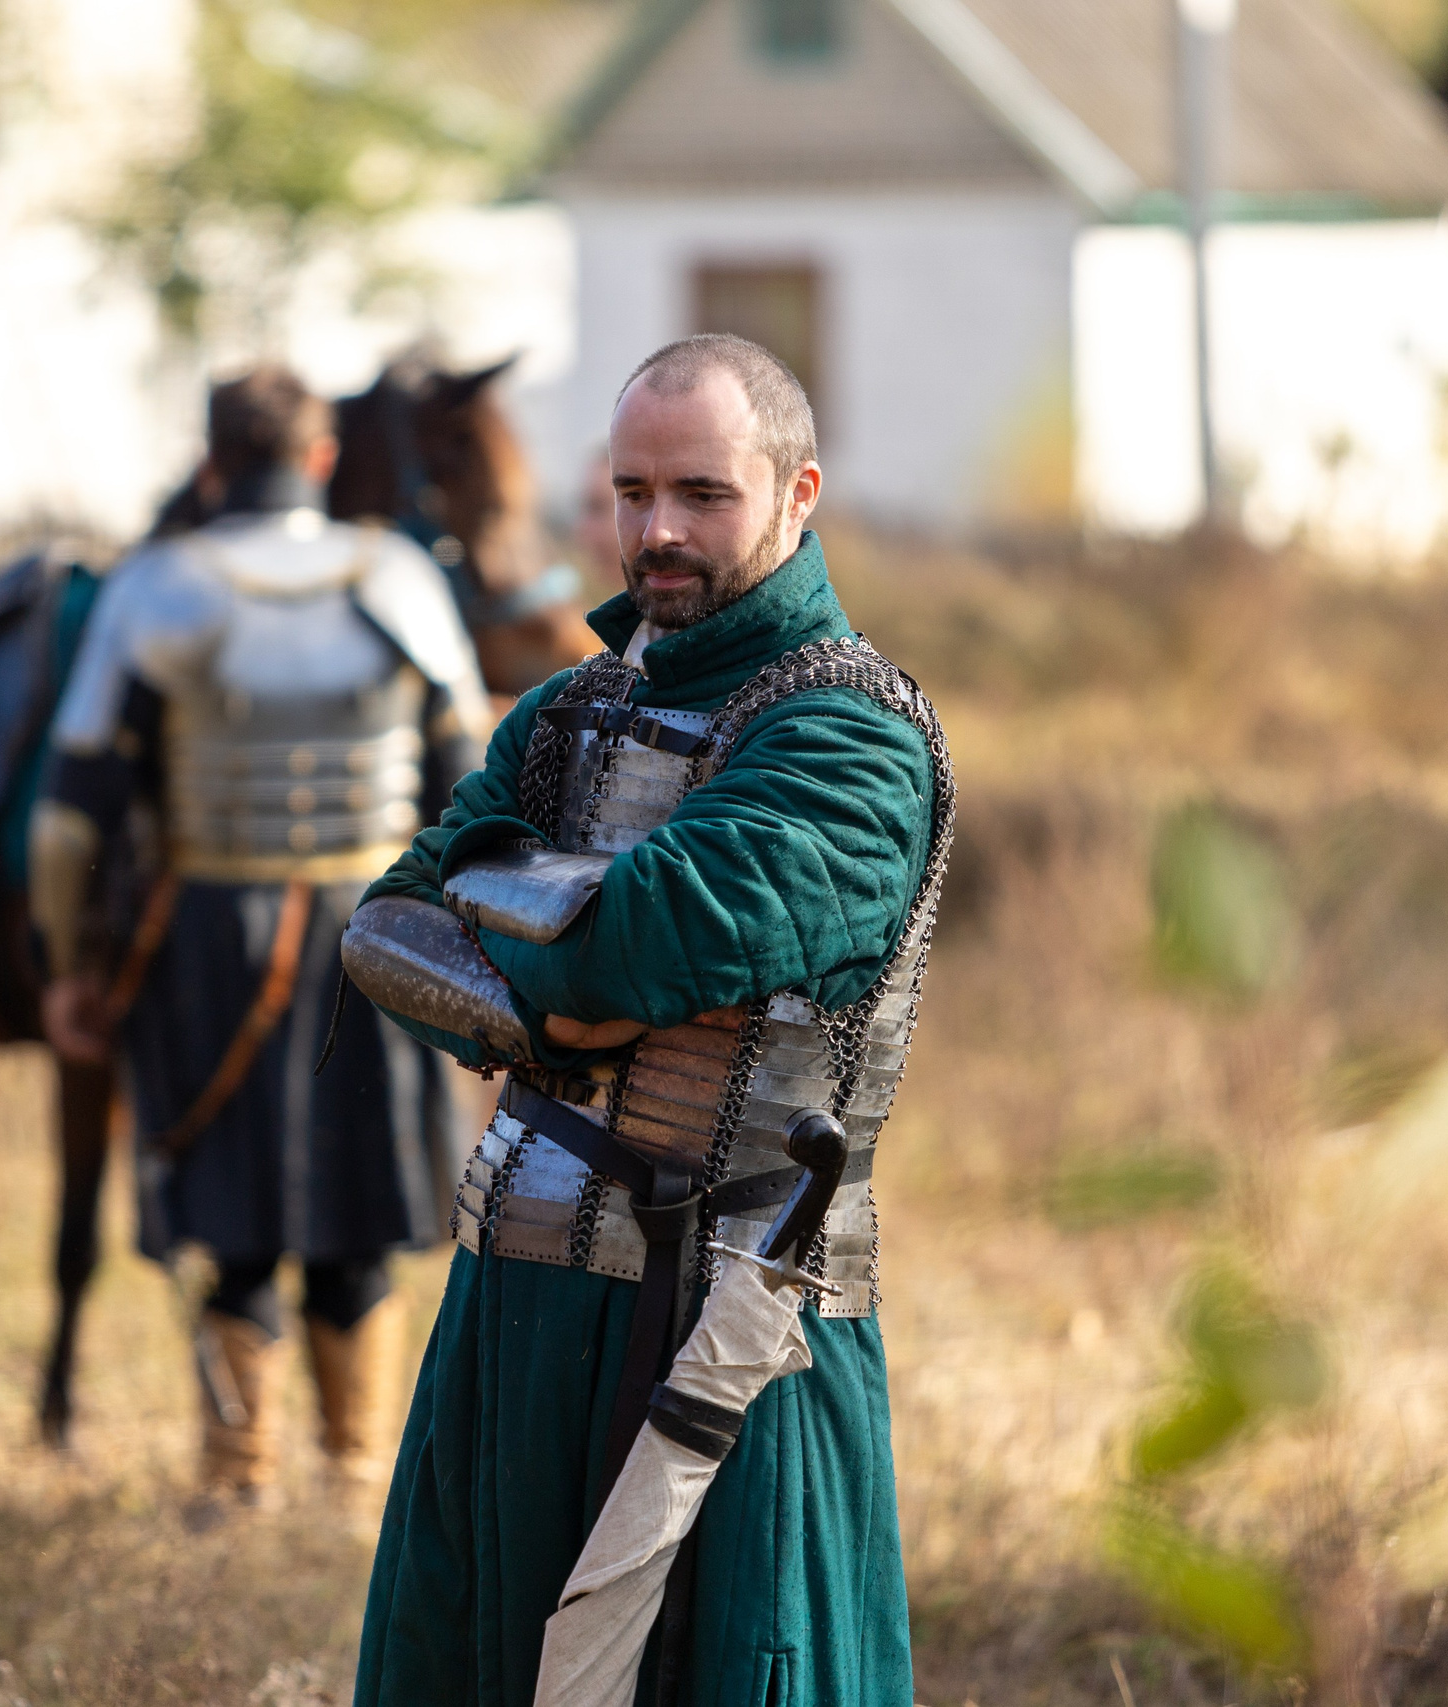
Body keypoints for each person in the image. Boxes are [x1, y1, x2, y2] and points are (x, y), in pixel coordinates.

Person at [346, 335, 949, 1705]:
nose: (657, 529)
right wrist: (565, 1012)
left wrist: (525, 953)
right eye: (629, 490)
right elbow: (389, 924)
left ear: (798, 492)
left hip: (728, 1318)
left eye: (702, 492)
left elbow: (642, 939)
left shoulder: (851, 736)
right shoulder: (572, 707)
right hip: (517, 1286)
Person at [32, 366, 490, 1514]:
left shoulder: (157, 588)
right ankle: (355, 1472)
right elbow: (475, 790)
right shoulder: (398, 577)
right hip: (381, 933)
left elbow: (65, 822)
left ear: (213, 463)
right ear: (324, 460)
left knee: (231, 1213)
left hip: (204, 938)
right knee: (362, 1207)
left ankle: (237, 1479)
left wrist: (72, 967)